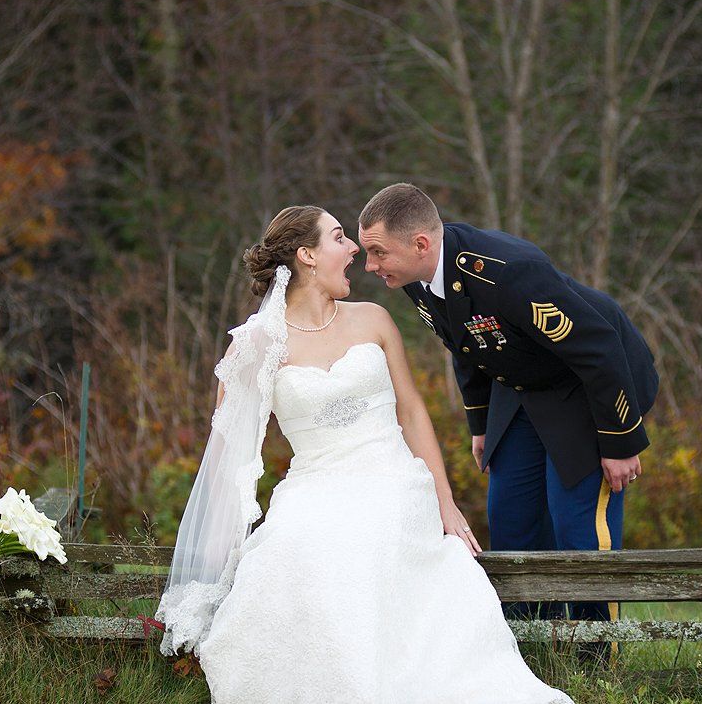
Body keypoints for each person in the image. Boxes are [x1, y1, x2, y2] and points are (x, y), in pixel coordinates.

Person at [155, 205, 572, 704]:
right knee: (300, 544)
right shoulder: (255, 346)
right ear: (307, 256)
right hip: (314, 484)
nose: (354, 249)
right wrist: (224, 546)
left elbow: (413, 413)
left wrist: (445, 501)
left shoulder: (373, 319)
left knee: (369, 532)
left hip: (394, 480)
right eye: (339, 239)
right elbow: (227, 455)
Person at [358, 183, 659, 631]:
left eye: (378, 253)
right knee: (509, 515)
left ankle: (598, 652)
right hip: (519, 390)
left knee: (575, 522)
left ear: (420, 244)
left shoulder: (508, 271)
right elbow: (465, 346)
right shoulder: (416, 279)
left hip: (583, 387)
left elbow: (599, 349)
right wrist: (480, 424)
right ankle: (529, 641)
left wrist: (620, 442)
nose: (370, 266)